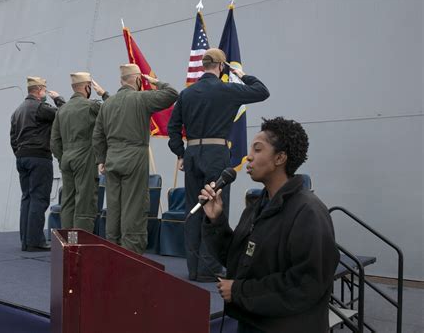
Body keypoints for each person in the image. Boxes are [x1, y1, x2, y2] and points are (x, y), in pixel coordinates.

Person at [199, 117, 340, 332]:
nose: (249, 157)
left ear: (280, 158)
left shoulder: (308, 212)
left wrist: (240, 291)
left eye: (257, 150)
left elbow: (306, 284)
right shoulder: (257, 206)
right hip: (253, 323)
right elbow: (235, 259)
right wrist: (216, 220)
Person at [167, 48, 270, 282]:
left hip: (192, 152)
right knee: (214, 207)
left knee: (193, 208)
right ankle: (210, 268)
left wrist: (180, 154)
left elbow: (173, 128)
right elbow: (262, 91)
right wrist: (241, 75)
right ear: (222, 67)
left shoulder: (187, 94)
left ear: (203, 66)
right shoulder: (228, 89)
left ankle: (194, 268)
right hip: (216, 154)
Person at [93, 64, 178, 254]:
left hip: (112, 159)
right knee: (135, 205)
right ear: (139, 80)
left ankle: (112, 248)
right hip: (135, 158)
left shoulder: (107, 103)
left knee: (114, 206)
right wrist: (156, 82)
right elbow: (172, 93)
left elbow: (97, 134)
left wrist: (101, 159)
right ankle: (131, 252)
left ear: (121, 81)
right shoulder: (142, 99)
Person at [10, 76, 65, 251]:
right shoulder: (41, 107)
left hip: (22, 158)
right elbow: (64, 115)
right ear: (40, 90)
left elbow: (13, 138)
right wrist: (58, 99)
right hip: (39, 157)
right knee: (39, 199)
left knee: (26, 198)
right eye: (44, 90)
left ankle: (26, 241)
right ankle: (35, 242)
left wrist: (20, 153)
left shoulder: (17, 111)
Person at [50, 72, 108, 233]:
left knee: (68, 200)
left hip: (66, 158)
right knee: (85, 200)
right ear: (87, 87)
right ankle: (80, 243)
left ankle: (67, 241)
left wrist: (62, 158)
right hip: (85, 157)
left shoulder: (62, 110)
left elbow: (54, 141)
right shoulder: (91, 106)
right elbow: (113, 110)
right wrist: (103, 94)